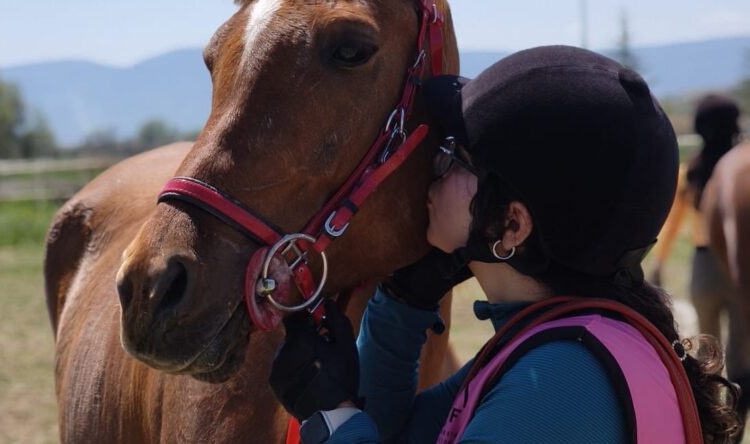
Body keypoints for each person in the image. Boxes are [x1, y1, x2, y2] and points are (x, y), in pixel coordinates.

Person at [269, 46, 743, 444]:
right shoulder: (562, 342)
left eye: (455, 157)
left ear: (511, 225)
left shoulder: (560, 380)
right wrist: (403, 304)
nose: (434, 168)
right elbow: (400, 435)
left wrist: (335, 419)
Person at [650, 94, 749, 417]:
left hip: (704, 266)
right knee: (740, 357)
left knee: (709, 353)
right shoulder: (740, 169)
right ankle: (737, 421)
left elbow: (671, 224)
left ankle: (709, 422)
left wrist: (659, 261)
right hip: (738, 269)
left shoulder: (690, 172)